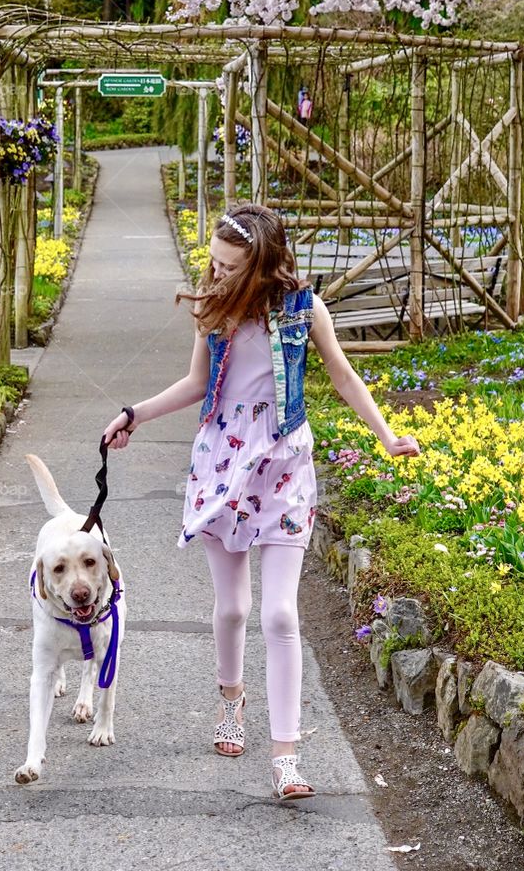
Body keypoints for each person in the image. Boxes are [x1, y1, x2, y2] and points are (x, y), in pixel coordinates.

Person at [102, 203, 420, 802]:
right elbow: (197, 385)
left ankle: (286, 755)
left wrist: (385, 434)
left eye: (229, 267)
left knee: (279, 614)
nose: (216, 276)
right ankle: (231, 702)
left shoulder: (305, 309)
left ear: (261, 266)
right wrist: (133, 415)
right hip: (223, 464)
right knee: (232, 609)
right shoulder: (214, 310)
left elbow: (344, 376)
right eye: (213, 264)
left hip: (284, 469)